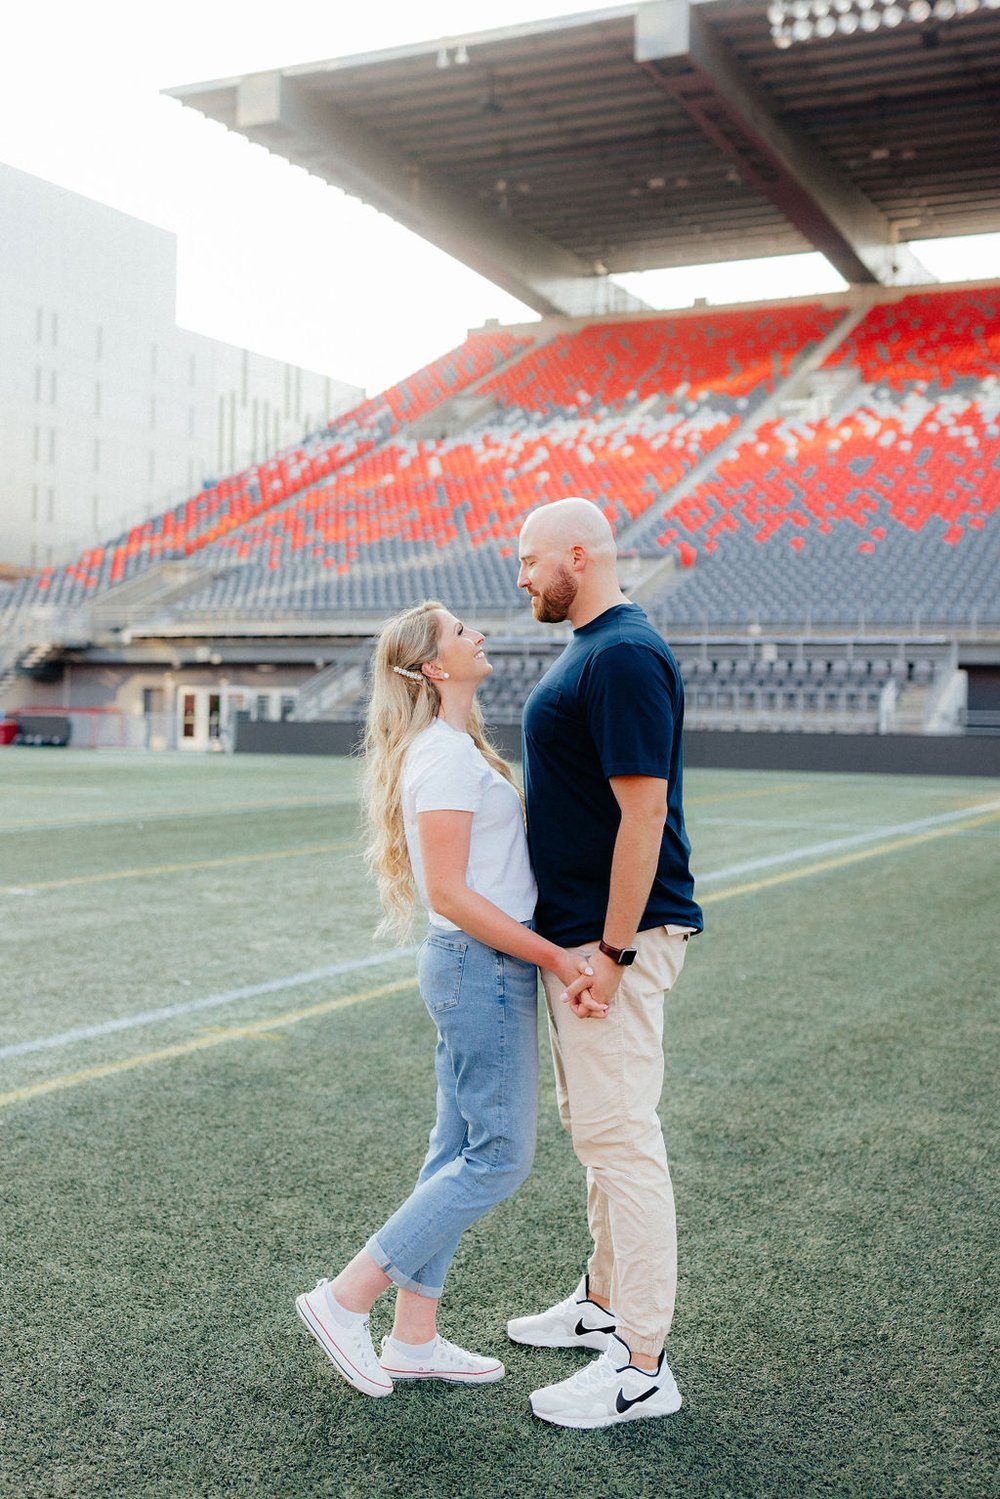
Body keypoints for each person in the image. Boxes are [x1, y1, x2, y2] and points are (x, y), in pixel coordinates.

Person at [295, 599, 593, 1399]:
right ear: (434, 665)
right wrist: (557, 960)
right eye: (462, 632)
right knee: (499, 1156)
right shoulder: (444, 758)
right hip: (482, 964)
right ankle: (345, 1296)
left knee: (453, 1150)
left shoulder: (457, 748)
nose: (479, 635)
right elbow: (455, 896)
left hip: (483, 966)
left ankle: (414, 1336)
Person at [506, 497, 703, 1430]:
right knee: (597, 1132)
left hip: (610, 939)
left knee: (622, 1139)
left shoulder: (622, 653)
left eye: (529, 559)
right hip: (583, 936)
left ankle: (642, 1363)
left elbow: (644, 812)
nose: (521, 577)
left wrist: (615, 955)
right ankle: (602, 1301)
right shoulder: (596, 647)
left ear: (576, 556)